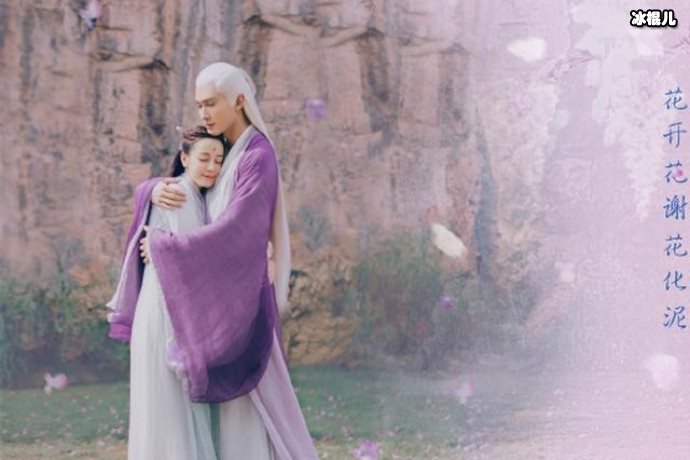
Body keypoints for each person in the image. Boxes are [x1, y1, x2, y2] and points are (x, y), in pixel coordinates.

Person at [113, 62, 319, 460]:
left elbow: (238, 231)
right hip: (219, 298)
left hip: (242, 299)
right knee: (228, 413)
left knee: (256, 406)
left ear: (239, 101)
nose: (203, 113)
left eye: (210, 103)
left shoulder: (257, 155)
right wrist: (152, 189)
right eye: (198, 105)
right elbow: (181, 178)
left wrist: (164, 248)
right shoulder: (219, 147)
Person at [107, 126, 227, 459]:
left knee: (169, 404)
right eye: (204, 158)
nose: (212, 167)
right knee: (170, 405)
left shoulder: (194, 195)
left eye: (219, 160)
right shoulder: (179, 195)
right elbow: (189, 258)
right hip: (166, 309)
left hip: (167, 306)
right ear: (184, 159)